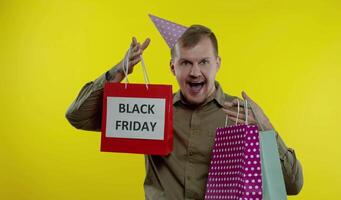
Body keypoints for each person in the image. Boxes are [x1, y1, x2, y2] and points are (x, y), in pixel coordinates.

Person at [66, 16, 303, 200]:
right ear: (172, 67)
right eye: (186, 62)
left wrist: (267, 131)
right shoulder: (152, 109)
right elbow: (77, 116)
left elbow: (293, 185)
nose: (195, 72)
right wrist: (118, 71)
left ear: (217, 64)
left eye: (204, 62)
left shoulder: (241, 116)